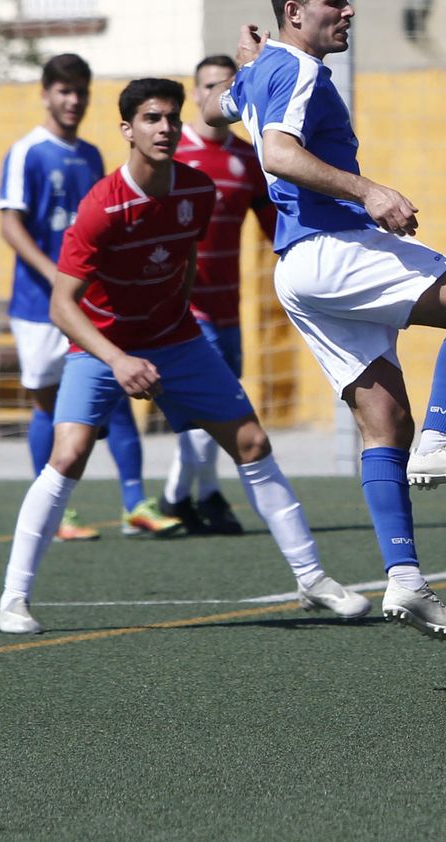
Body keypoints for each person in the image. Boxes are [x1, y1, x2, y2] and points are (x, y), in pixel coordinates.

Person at [203, 0, 446, 641]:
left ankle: (405, 579)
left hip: (298, 272)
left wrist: (249, 66)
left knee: (381, 423)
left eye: (347, 0)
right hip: (332, 249)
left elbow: (211, 108)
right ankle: (442, 439)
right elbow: (276, 155)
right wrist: (370, 190)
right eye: (334, 2)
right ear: (294, 11)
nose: (348, 12)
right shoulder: (301, 72)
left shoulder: (262, 74)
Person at [0, 79, 370, 635]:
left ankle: (312, 579)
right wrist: (119, 359)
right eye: (150, 118)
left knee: (252, 443)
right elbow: (61, 306)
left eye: (171, 117)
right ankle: (13, 599)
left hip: (179, 341)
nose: (164, 127)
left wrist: (179, 330)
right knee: (69, 452)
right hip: (100, 346)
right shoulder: (102, 206)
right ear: (127, 130)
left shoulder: (198, 191)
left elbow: (184, 265)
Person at [0, 53, 177, 540]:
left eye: (80, 91)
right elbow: (10, 224)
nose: (72, 100)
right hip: (39, 306)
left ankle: (136, 503)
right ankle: (56, 514)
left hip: (94, 303)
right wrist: (54, 273)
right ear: (46, 94)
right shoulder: (27, 152)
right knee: (46, 404)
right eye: (63, 91)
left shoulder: (93, 154)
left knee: (118, 394)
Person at [157, 54, 278, 536]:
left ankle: (175, 497)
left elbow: (273, 228)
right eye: (207, 86)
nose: (215, 96)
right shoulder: (171, 152)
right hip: (183, 308)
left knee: (216, 406)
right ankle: (206, 495)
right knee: (214, 405)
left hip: (230, 307)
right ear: (194, 93)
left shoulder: (248, 157)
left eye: (225, 87)